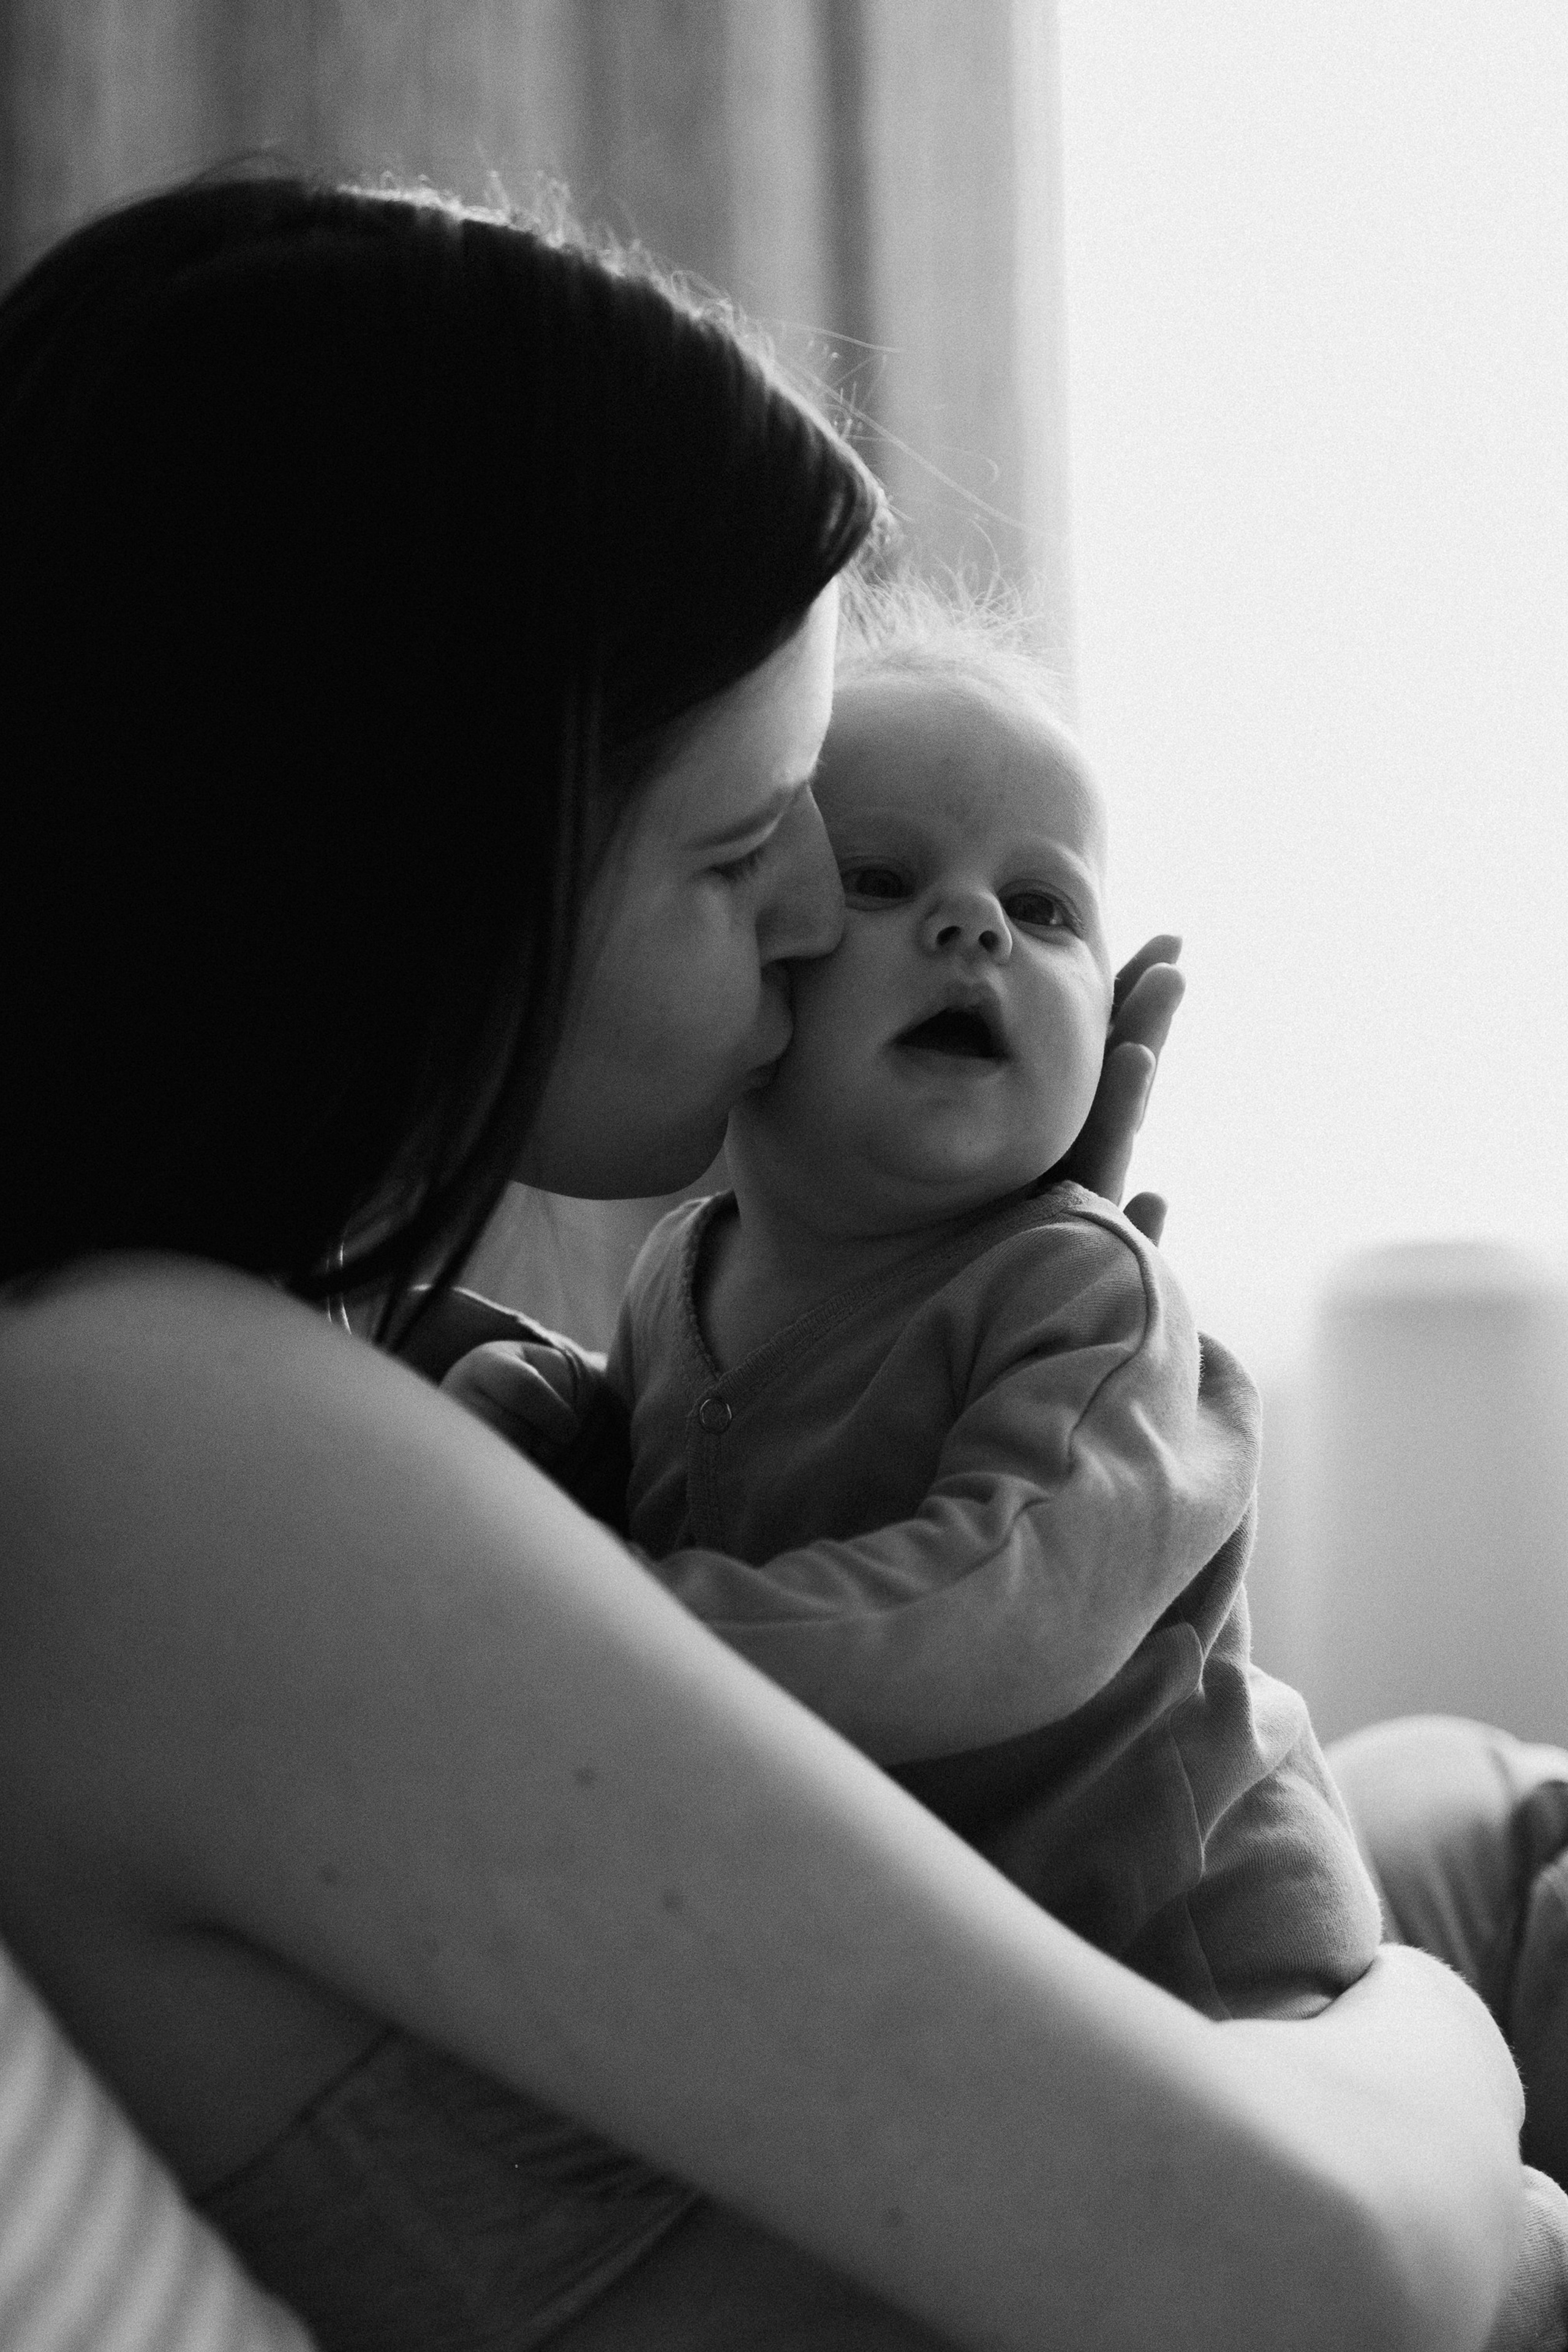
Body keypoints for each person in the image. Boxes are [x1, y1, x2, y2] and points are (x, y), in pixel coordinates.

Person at [0, 168, 1540, 2352]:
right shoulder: (139, 1426)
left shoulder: (216, 1361)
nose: (823, 925)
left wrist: (942, 1259)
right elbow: (1314, 2277)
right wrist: (1426, 2023)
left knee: (1446, 1783)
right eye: (750, 848)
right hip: (1294, 2171)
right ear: (412, 860)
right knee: (1489, 1834)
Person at [443, 584, 1382, 2026]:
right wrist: (549, 1418)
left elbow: (990, 1610)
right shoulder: (677, 1269)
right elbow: (677, 1473)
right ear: (760, 954)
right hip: (945, 1964)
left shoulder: (1086, 1297)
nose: (973, 930)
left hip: (1192, 1960)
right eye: (882, 882)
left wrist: (613, 1628)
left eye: (1041, 905)